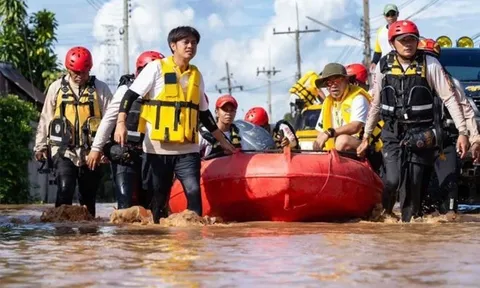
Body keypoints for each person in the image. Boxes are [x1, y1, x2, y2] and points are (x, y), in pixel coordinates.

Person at [114, 26, 236, 223]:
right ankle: (159, 241)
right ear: (173, 46)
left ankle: (193, 245)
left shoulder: (197, 75)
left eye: (194, 43)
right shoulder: (156, 68)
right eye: (185, 42)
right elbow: (130, 95)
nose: (190, 46)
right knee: (159, 198)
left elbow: (204, 114)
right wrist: (121, 123)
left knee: (194, 191)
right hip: (158, 148)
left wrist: (223, 142)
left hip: (188, 147)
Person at [357, 20, 470, 222]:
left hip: (421, 132)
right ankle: (385, 213)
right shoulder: (383, 66)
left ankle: (410, 229)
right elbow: (375, 104)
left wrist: (463, 131)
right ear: (392, 43)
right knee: (392, 180)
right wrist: (366, 135)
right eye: (403, 40)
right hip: (392, 131)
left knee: (414, 189)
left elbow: (450, 98)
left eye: (412, 40)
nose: (408, 44)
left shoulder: (430, 63)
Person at [33, 46, 113, 217]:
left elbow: (110, 120)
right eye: (75, 72)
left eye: (83, 72)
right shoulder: (56, 88)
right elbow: (46, 117)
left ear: (89, 69)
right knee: (64, 188)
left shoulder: (101, 89)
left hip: (91, 152)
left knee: (88, 197)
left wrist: (105, 149)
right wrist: (40, 146)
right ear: (68, 69)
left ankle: (88, 238)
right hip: (63, 150)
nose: (79, 76)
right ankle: (62, 236)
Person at [86, 50, 165, 210]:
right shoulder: (125, 91)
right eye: (145, 72)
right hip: (125, 154)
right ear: (138, 73)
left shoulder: (167, 95)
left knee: (151, 205)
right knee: (125, 203)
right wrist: (96, 148)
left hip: (152, 155)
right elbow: (108, 120)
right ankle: (123, 233)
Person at [417, 38, 480, 216]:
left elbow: (467, 111)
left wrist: (474, 138)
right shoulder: (407, 85)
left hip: (446, 139)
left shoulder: (453, 84)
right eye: (425, 57)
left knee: (449, 189)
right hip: (417, 144)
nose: (430, 63)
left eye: (434, 58)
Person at [312, 63, 372, 152]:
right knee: (316, 144)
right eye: (329, 83)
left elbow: (355, 127)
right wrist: (317, 144)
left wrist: (329, 133)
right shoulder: (327, 103)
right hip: (337, 152)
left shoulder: (358, 98)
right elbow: (320, 133)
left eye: (337, 81)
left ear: (346, 80)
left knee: (342, 140)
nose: (333, 85)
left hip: (364, 146)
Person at [370, 4, 399, 72]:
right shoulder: (380, 31)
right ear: (384, 16)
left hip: (400, 65)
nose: (390, 17)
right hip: (384, 66)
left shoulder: (403, 29)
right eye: (388, 14)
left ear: (397, 14)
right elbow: (378, 51)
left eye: (393, 14)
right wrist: (374, 62)